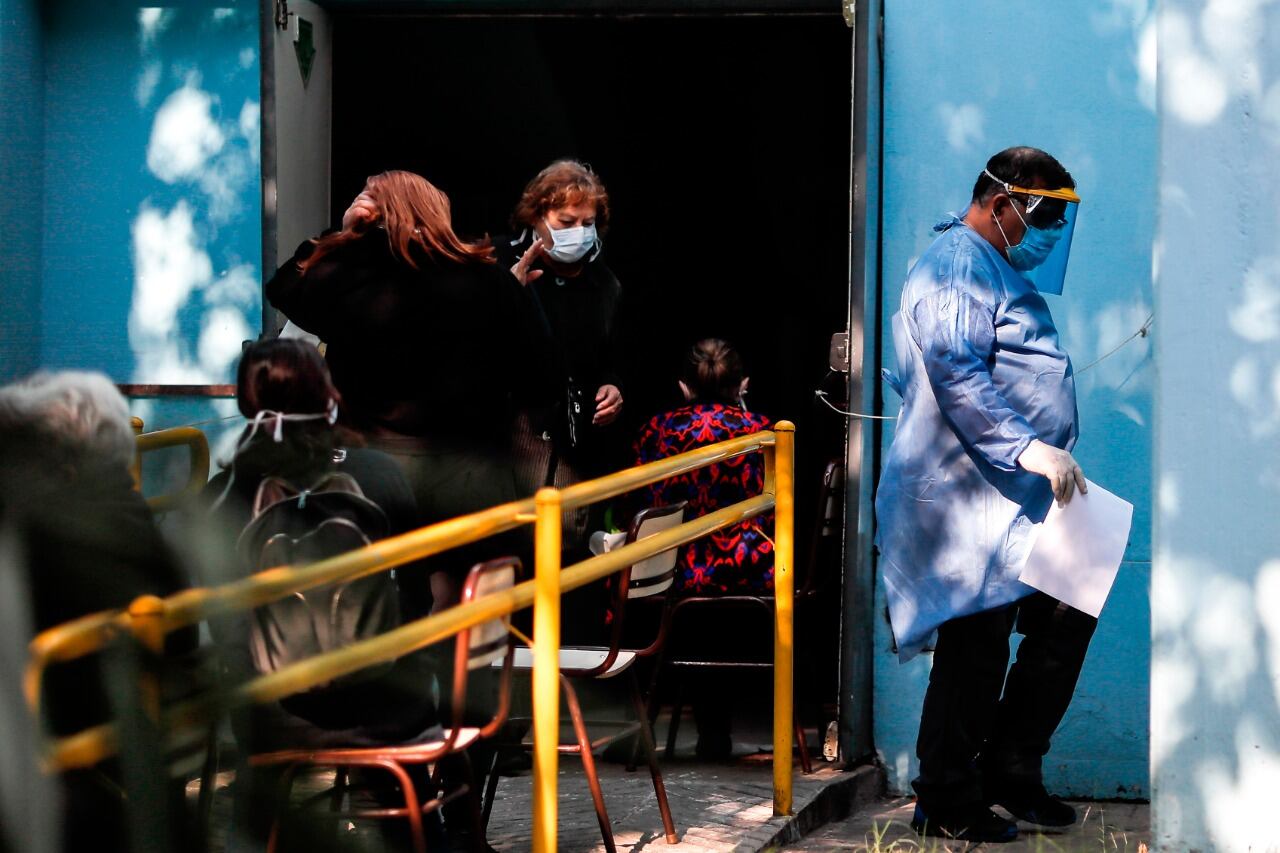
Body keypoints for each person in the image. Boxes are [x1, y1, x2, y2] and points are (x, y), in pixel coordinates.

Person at [874, 147, 1094, 843]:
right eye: (1043, 217)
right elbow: (955, 372)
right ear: (1002, 204)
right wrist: (1028, 447)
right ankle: (945, 795)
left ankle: (1011, 769)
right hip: (968, 497)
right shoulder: (955, 267)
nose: (1050, 233)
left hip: (1024, 494)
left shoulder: (993, 266)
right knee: (975, 646)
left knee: (1070, 608)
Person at [198, 339, 480, 852]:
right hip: (388, 710)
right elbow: (417, 599)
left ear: (245, 403)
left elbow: (218, 617)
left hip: (273, 719)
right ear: (327, 394)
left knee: (259, 799)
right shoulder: (380, 473)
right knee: (407, 797)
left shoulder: (223, 493)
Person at [265, 169, 555, 617]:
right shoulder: (492, 281)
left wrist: (339, 236)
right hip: (471, 468)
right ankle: (454, 659)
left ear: (375, 216)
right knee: (467, 599)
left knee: (381, 597)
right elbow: (540, 376)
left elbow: (285, 288)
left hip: (372, 465)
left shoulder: (349, 279)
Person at [0, 370, 193, 853]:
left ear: (58, 456)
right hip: (138, 752)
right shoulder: (132, 517)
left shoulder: (49, 536)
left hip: (70, 766)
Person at [632, 338, 773, 759]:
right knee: (719, 618)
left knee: (628, 578)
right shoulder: (764, 432)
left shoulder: (656, 430)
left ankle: (637, 727)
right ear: (742, 384)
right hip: (748, 570)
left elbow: (638, 503)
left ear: (683, 386)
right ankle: (716, 729)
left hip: (675, 570)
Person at [497, 160, 624, 552]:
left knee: (569, 544)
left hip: (578, 440)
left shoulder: (603, 282)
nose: (579, 233)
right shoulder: (497, 262)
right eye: (567, 222)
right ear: (536, 217)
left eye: (588, 223)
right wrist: (506, 295)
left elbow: (611, 355)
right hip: (508, 437)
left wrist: (613, 386)